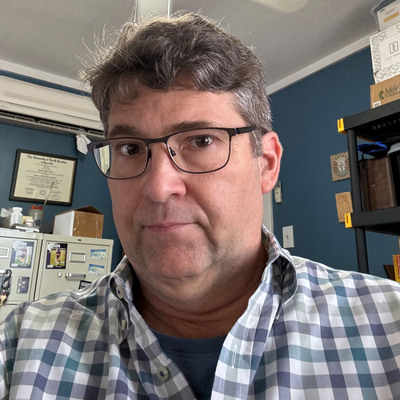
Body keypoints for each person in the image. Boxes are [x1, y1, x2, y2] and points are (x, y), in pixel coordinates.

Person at [1, 12, 400, 400]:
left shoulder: (389, 327)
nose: (159, 187)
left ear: (266, 163)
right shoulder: (20, 347)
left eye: (201, 141)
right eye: (129, 148)